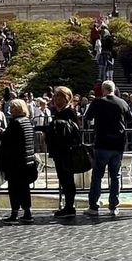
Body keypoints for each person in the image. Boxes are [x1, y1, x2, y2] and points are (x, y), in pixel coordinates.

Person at [83, 80, 132, 218]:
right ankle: (113, 206)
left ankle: (94, 206)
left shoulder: (98, 102)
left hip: (102, 142)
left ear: (103, 89)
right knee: (116, 176)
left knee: (97, 175)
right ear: (114, 89)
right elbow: (129, 118)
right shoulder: (122, 102)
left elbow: (87, 117)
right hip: (118, 144)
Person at [41, 87, 81, 218]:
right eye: (55, 96)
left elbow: (73, 132)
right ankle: (68, 206)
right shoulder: (59, 112)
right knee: (64, 179)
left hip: (66, 151)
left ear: (66, 98)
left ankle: (69, 207)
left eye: (60, 96)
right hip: (59, 151)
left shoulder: (68, 112)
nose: (56, 99)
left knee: (67, 179)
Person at [0, 99, 37, 224]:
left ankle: (14, 213)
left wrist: (1, 134)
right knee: (25, 188)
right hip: (27, 160)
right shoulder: (27, 121)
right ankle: (27, 212)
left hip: (15, 161)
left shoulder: (15, 123)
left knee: (14, 188)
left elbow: (9, 141)